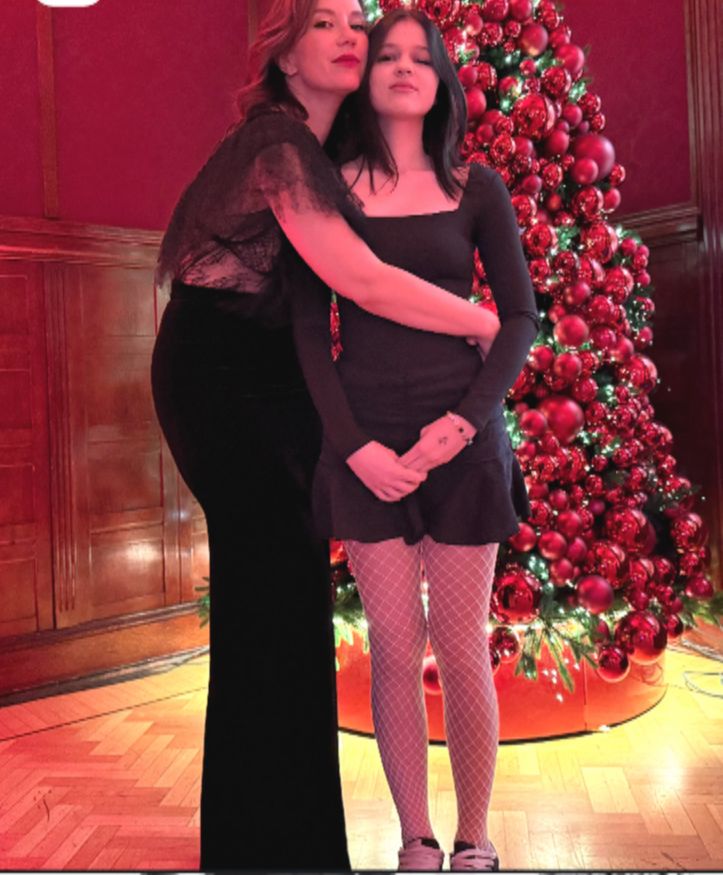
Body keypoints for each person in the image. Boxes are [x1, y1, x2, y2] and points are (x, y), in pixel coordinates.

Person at [149, 0, 504, 869]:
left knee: (280, 607)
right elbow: (363, 280)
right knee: (270, 606)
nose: (350, 36)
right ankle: (272, 849)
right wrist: (486, 323)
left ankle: (276, 843)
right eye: (323, 24)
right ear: (283, 55)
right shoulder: (278, 144)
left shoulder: (320, 151)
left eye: (356, 22)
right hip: (225, 382)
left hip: (268, 381)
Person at [288, 8, 540, 871]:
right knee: (393, 649)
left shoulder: (477, 187)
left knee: (462, 646)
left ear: (440, 81)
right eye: (385, 54)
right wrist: (353, 446)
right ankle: (416, 839)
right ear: (366, 78)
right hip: (365, 446)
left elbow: (518, 318)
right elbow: (305, 329)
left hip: (462, 442)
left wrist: (462, 424)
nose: (402, 67)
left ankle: (474, 836)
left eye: (419, 58)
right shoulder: (324, 188)